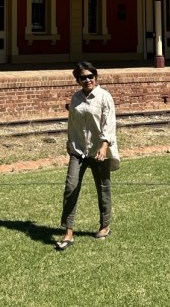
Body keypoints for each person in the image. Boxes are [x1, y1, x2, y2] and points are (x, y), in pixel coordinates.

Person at [56, 61, 120, 250]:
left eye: (90, 76)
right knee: (71, 187)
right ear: (78, 80)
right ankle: (68, 232)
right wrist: (69, 143)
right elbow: (72, 123)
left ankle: (105, 226)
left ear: (96, 77)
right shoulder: (76, 98)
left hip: (98, 150)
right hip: (78, 150)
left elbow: (109, 123)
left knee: (103, 187)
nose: (87, 80)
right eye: (83, 77)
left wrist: (104, 146)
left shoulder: (104, 97)